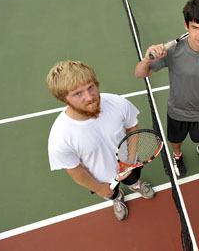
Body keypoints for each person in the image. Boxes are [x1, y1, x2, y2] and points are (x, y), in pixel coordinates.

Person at [46, 60, 155, 221]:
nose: (90, 97)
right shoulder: (60, 138)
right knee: (112, 193)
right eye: (78, 93)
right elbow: (74, 170)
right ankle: (117, 199)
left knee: (133, 178)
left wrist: (131, 161)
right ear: (64, 99)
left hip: (129, 163)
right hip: (102, 179)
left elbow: (132, 128)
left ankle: (136, 185)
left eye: (91, 87)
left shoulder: (117, 103)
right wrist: (98, 188)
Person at [135, 0, 199, 177]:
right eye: (195, 28)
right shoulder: (172, 52)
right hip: (176, 111)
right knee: (176, 140)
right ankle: (177, 156)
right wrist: (147, 58)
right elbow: (140, 73)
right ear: (186, 26)